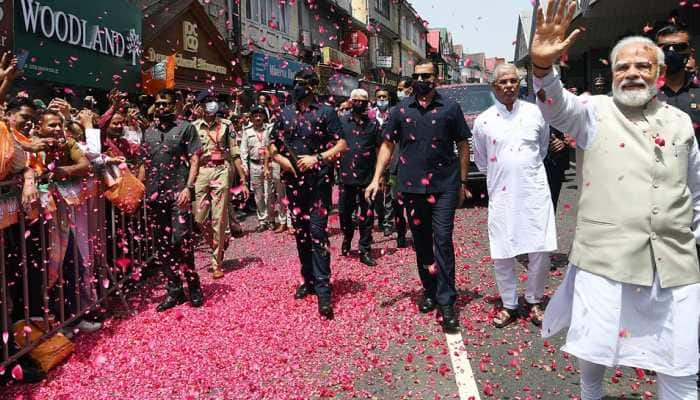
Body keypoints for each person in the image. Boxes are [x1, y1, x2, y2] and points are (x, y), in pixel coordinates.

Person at [531, 1, 700, 398]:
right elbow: (558, 107)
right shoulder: (593, 111)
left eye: (643, 66)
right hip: (606, 258)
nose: (633, 73)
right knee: (596, 348)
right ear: (612, 74)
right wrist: (542, 70)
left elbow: (695, 190)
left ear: (658, 74)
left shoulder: (679, 123)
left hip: (674, 261)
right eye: (623, 66)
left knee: (680, 361)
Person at [365, 62, 472, 333]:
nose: (421, 79)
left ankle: (447, 301)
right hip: (411, 187)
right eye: (417, 76)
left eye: (426, 75)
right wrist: (377, 177)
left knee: (443, 240)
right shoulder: (400, 110)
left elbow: (462, 145)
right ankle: (429, 289)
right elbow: (387, 144)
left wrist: (462, 181)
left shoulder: (450, 108)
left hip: (445, 185)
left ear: (436, 78)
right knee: (422, 244)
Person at [472, 63, 557, 328]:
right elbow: (483, 162)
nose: (509, 86)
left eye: (513, 81)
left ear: (519, 84)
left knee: (540, 250)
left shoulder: (536, 113)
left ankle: (534, 300)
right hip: (501, 195)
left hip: (534, 192)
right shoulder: (483, 121)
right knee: (502, 252)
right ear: (493, 87)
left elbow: (542, 149)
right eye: (503, 82)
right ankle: (509, 303)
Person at [269, 69, 348, 319]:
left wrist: (317, 158)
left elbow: (342, 144)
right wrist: (284, 161)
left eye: (302, 83)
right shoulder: (285, 113)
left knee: (317, 233)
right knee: (301, 235)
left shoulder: (326, 112)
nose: (297, 87)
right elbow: (273, 146)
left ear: (313, 86)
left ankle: (324, 291)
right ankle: (309, 280)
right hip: (294, 185)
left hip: (319, 184)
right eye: (295, 83)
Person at [142, 89, 204, 312]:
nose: (160, 108)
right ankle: (174, 290)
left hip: (179, 195)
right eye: (158, 104)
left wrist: (188, 188)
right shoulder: (148, 132)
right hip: (155, 195)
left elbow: (195, 159)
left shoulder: (187, 128)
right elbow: (144, 163)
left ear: (174, 105)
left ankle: (194, 286)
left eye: (165, 104)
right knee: (162, 245)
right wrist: (141, 189)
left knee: (181, 240)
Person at [193, 98, 245, 279]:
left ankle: (217, 261)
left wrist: (243, 178)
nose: (209, 106)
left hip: (221, 169)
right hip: (202, 171)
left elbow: (234, 151)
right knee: (199, 218)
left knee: (219, 217)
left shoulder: (227, 125)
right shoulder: (194, 126)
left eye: (211, 102)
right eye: (204, 103)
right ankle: (219, 243)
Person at [338, 89, 382, 267]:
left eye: (362, 101)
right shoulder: (341, 122)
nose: (359, 104)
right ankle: (347, 238)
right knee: (344, 214)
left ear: (367, 104)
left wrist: (380, 176)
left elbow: (380, 149)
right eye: (355, 100)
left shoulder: (373, 124)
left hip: (367, 178)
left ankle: (365, 249)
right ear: (350, 102)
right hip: (346, 177)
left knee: (367, 216)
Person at [656, 24, 699, 144]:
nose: (671, 52)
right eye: (664, 47)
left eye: (679, 47)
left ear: (690, 52)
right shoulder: (644, 93)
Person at [241, 105, 274, 232]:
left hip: (268, 164)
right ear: (251, 118)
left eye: (260, 116)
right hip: (254, 165)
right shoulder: (247, 131)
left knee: (269, 194)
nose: (258, 118)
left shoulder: (269, 130)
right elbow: (243, 151)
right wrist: (244, 166)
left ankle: (271, 220)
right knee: (258, 195)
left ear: (264, 117)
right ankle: (262, 220)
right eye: (255, 116)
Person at [371, 87, 395, 237]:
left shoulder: (394, 115)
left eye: (384, 97)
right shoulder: (370, 116)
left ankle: (388, 222)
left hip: (392, 159)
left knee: (390, 193)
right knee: (378, 193)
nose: (381, 100)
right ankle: (380, 218)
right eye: (379, 97)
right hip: (374, 161)